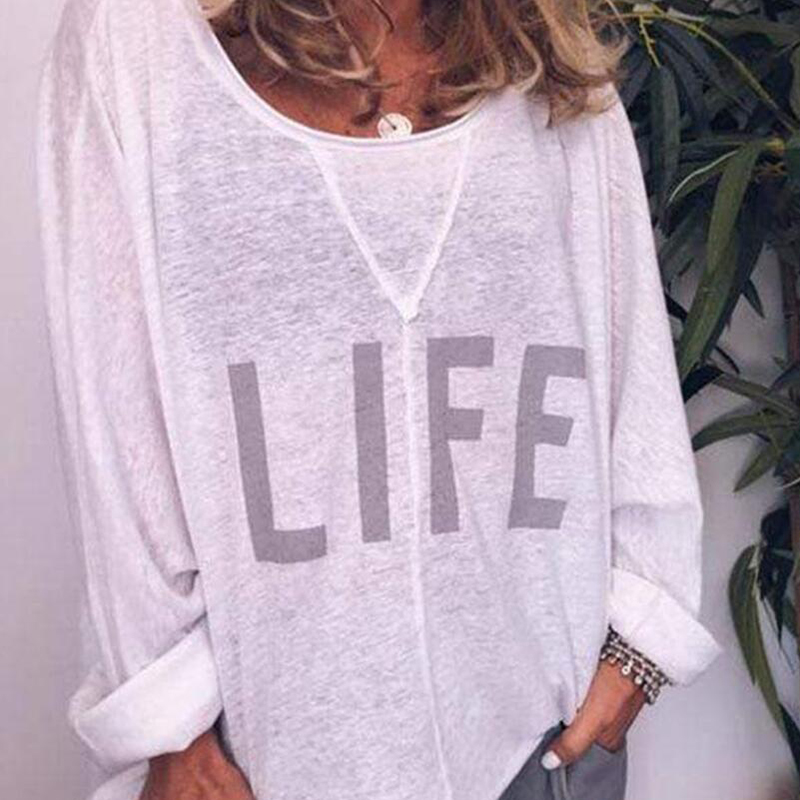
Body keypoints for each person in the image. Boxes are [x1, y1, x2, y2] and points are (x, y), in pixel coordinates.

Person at [35, 0, 724, 798]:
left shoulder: (537, 34)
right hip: (260, 756)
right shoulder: (135, 35)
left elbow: (626, 344)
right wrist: (168, 725)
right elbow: (113, 413)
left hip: (544, 741)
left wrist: (641, 638)